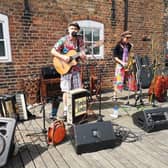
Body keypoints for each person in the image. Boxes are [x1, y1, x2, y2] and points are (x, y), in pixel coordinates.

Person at [51, 22, 86, 120]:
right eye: (71, 28)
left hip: (76, 70)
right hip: (65, 69)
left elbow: (83, 57)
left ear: (78, 30)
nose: (73, 30)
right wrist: (63, 57)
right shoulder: (63, 40)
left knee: (77, 91)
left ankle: (76, 110)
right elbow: (53, 51)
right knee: (66, 91)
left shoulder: (80, 41)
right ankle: (66, 110)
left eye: (75, 28)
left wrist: (83, 56)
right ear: (68, 29)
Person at [111, 30, 133, 118]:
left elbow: (129, 53)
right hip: (120, 65)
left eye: (129, 38)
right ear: (122, 37)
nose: (128, 39)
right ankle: (115, 95)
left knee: (129, 80)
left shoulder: (128, 45)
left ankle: (127, 92)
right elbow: (115, 57)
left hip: (127, 64)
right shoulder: (118, 45)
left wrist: (129, 61)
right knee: (118, 81)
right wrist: (121, 62)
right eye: (127, 38)